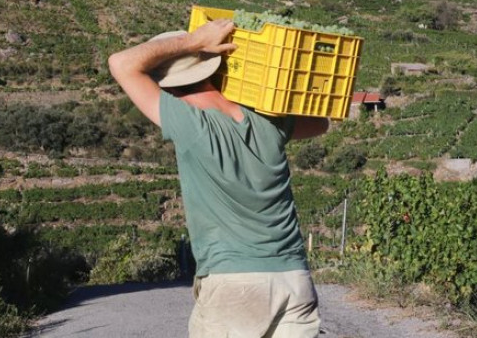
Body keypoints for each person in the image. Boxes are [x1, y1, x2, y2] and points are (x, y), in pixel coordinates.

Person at [108, 18, 329, 337]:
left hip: (234, 282)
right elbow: (320, 123)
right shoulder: (267, 120)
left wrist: (193, 41)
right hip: (293, 278)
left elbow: (120, 62)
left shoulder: (188, 122)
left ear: (167, 83)